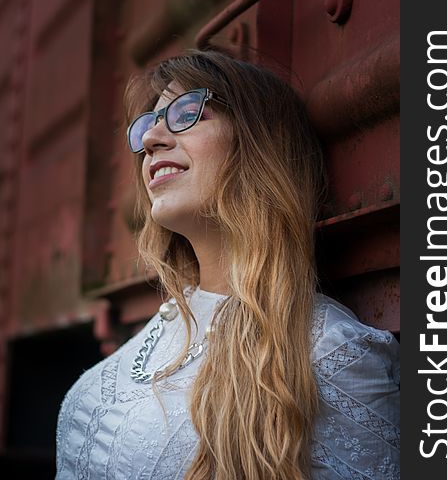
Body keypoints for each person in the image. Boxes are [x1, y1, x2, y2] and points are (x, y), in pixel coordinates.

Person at [56, 49, 400, 479]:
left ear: (258, 145)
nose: (150, 141)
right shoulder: (170, 315)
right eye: (148, 124)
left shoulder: (328, 351)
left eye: (186, 112)